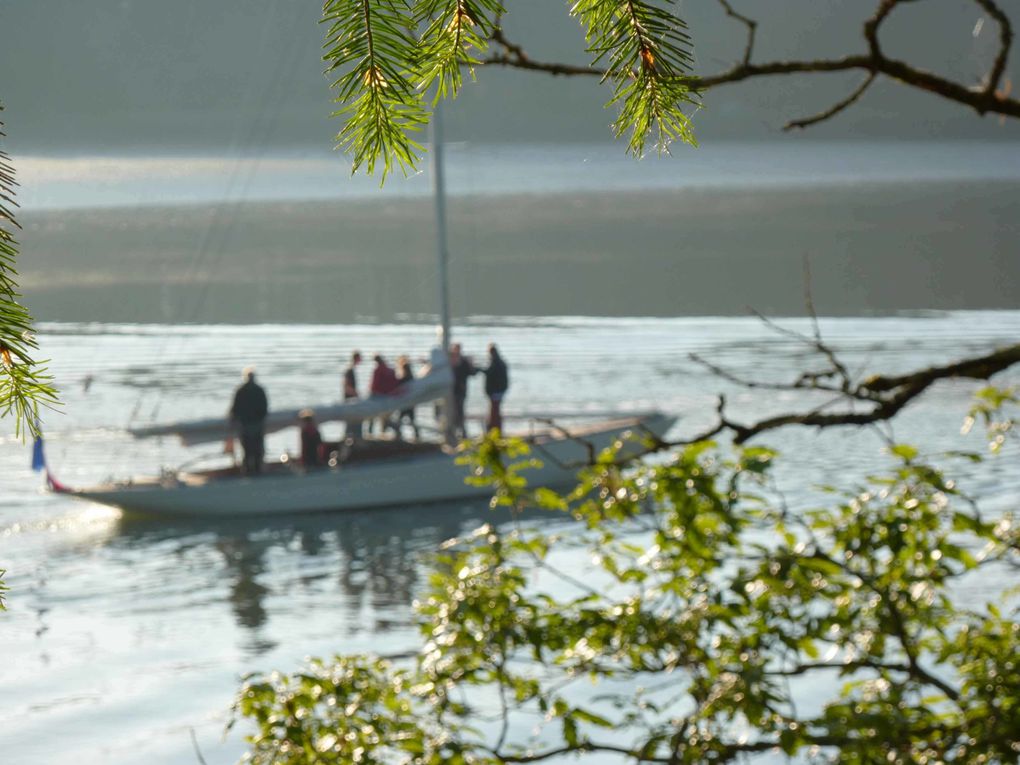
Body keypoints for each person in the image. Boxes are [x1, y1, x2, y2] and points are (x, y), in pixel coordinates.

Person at [230, 367, 268, 475]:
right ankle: (257, 469)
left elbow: (235, 409)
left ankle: (248, 471)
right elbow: (264, 408)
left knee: (248, 450)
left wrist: (234, 419)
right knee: (256, 449)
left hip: (246, 425)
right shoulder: (259, 390)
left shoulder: (241, 391)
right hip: (255, 424)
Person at [448, 343, 478, 440]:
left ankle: (462, 432)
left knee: (459, 411)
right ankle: (453, 431)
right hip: (450, 391)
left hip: (460, 390)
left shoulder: (463, 361)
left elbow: (473, 373)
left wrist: (471, 364)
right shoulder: (449, 360)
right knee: (451, 411)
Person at [369, 354, 400, 435]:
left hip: (377, 396)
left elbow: (374, 385)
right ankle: (386, 432)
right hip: (388, 397)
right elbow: (395, 384)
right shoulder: (390, 370)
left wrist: (370, 395)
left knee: (372, 416)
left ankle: (370, 433)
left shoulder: (378, 370)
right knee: (385, 418)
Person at [483, 343, 509, 433]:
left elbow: (490, 372)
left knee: (494, 411)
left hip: (496, 392)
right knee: (495, 411)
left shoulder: (495, 363)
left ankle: (494, 430)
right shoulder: (500, 363)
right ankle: (495, 429)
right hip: (499, 391)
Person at [395, 355, 420, 441]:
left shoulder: (404, 378)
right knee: (412, 419)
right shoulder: (411, 377)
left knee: (400, 419)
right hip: (411, 402)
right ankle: (417, 435)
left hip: (405, 402)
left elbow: (399, 387)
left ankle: (398, 434)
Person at [342, 350, 363, 440]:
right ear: (357, 358)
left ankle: (350, 438)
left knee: (351, 421)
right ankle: (350, 438)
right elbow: (346, 386)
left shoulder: (351, 370)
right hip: (350, 400)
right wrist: (357, 394)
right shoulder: (349, 370)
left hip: (351, 399)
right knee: (351, 421)